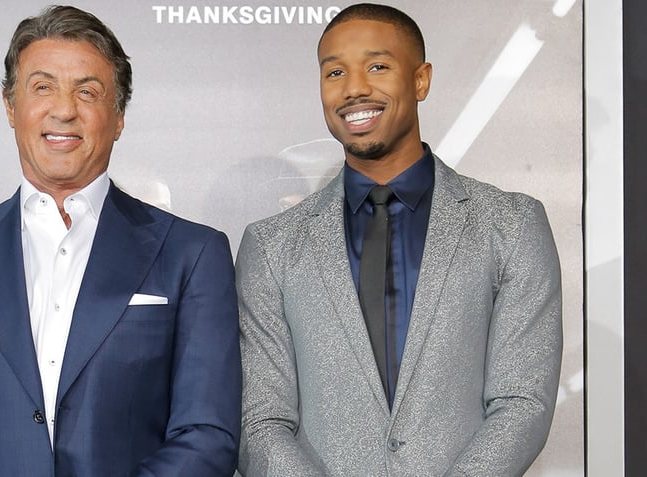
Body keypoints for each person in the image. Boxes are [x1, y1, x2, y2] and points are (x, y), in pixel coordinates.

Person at [0, 6, 240, 476]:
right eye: (42, 87)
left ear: (119, 115)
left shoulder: (193, 254)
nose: (64, 109)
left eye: (87, 91)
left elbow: (207, 436)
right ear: (10, 106)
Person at [237, 3, 562, 476]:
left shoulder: (511, 224)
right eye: (334, 72)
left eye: (377, 66)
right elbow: (261, 421)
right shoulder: (271, 246)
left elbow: (522, 401)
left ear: (421, 80)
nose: (354, 89)